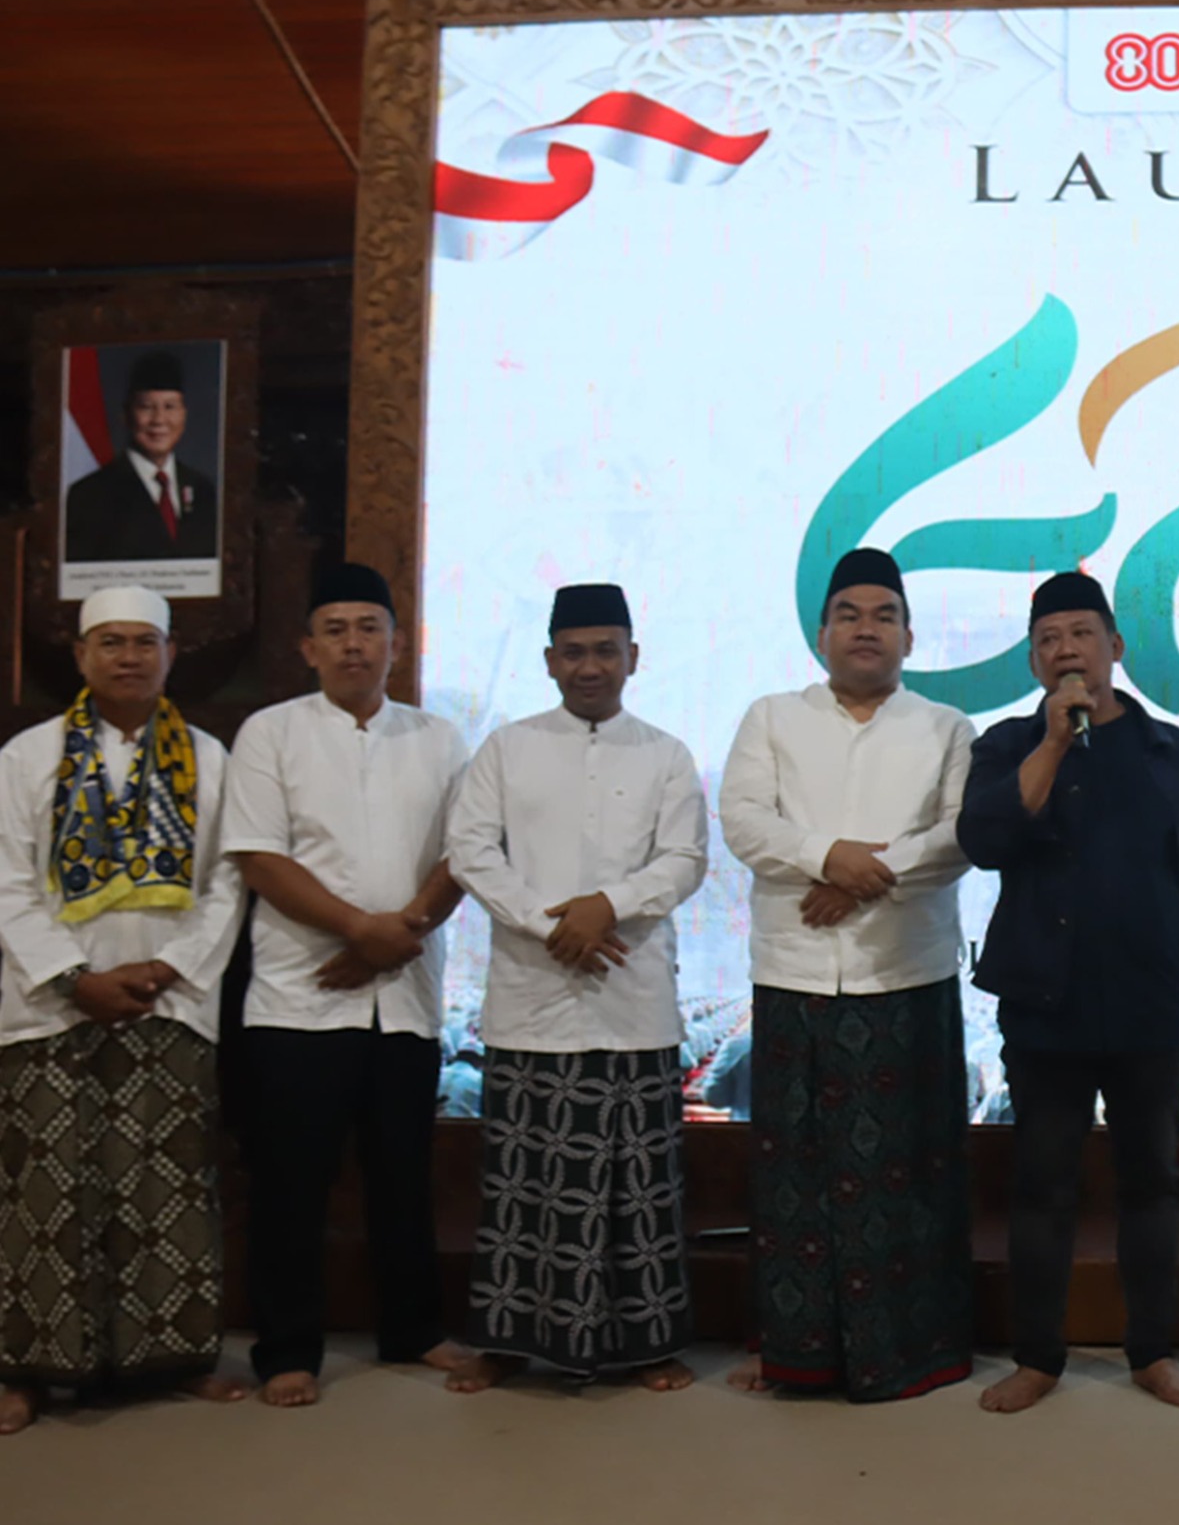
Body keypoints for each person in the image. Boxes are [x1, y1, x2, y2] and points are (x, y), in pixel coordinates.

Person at [959, 571, 1179, 1414]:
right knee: (1043, 1186)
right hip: (1047, 1005)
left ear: (1114, 647)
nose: (1065, 650)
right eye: (1048, 640)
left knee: (1152, 1183)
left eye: (1081, 634)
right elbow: (985, 839)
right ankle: (1038, 1358)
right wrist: (1051, 743)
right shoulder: (1007, 745)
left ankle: (1152, 1352)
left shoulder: (1168, 751)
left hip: (1151, 1002)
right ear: (1033, 660)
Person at [718, 548, 978, 1400]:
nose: (867, 629)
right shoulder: (771, 718)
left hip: (907, 976)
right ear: (822, 633)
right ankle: (798, 1351)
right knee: (795, 1178)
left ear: (909, 636)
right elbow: (744, 819)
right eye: (850, 615)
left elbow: (959, 835)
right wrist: (825, 855)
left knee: (911, 1174)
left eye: (884, 616)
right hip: (795, 975)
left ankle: (910, 1352)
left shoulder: (946, 726)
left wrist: (868, 872)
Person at [444, 583, 710, 1394]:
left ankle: (649, 1345)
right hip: (533, 997)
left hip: (632, 999)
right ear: (550, 660)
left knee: (638, 1187)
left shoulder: (666, 754)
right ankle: (506, 1343)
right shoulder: (506, 748)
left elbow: (684, 860)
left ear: (633, 657)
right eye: (574, 652)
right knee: (523, 1187)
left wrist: (608, 908)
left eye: (605, 651)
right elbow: (470, 850)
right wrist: (549, 924)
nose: (589, 666)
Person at [0, 589, 248, 1433]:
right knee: (44, 1194)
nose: (130, 657)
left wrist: (168, 968)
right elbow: (9, 883)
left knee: (162, 1185)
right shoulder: (29, 756)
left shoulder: (209, 758)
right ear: (81, 656)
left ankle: (171, 1361)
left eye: (146, 641)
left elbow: (228, 881)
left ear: (171, 654)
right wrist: (75, 979)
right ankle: (28, 1371)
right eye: (111, 642)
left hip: (168, 1002)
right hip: (49, 1008)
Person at [224, 562, 471, 1407]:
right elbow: (260, 857)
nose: (354, 644)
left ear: (397, 644)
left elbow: (463, 852)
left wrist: (402, 931)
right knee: (290, 1181)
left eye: (370, 628)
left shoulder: (439, 738)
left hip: (404, 995)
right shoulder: (270, 733)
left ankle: (414, 1329)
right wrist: (360, 931)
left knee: (404, 1175)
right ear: (308, 648)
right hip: (300, 997)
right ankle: (287, 1349)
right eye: (336, 630)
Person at [62, 351, 218, 564]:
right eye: (146, 407)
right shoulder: (90, 494)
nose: (159, 420)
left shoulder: (203, 490)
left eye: (170, 406)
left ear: (184, 414)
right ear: (126, 415)